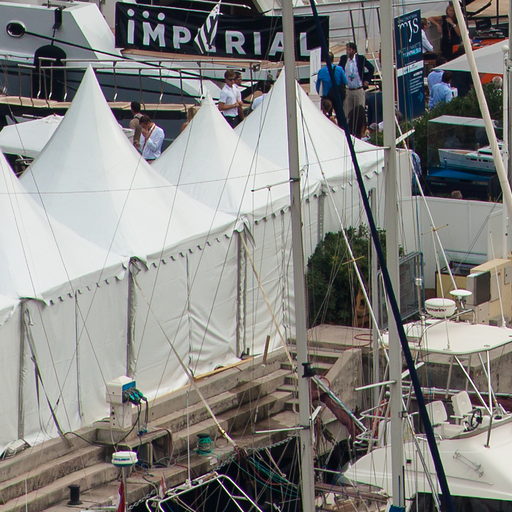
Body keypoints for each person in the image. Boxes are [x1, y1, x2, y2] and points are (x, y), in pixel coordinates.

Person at [338, 42, 374, 124]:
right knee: (347, 113)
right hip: (348, 90)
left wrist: (367, 80)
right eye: (346, 49)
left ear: (354, 51)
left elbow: (371, 68)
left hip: (358, 89)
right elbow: (339, 70)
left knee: (359, 112)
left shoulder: (360, 59)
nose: (347, 51)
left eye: (349, 50)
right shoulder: (343, 59)